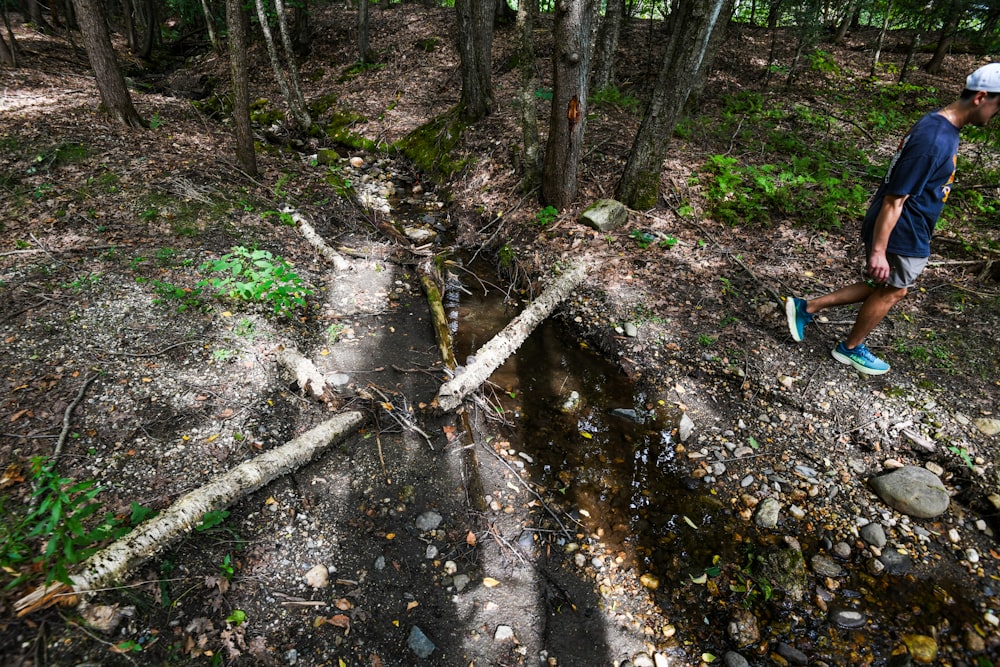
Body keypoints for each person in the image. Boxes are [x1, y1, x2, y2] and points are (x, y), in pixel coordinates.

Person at [785, 63, 1000, 375]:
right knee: (895, 290)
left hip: (907, 228)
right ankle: (850, 348)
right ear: (981, 97)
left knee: (881, 283)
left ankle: (807, 307)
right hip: (904, 231)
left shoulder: (938, 127)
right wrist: (879, 250)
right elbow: (895, 199)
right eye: (998, 105)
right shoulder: (935, 139)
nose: (996, 115)